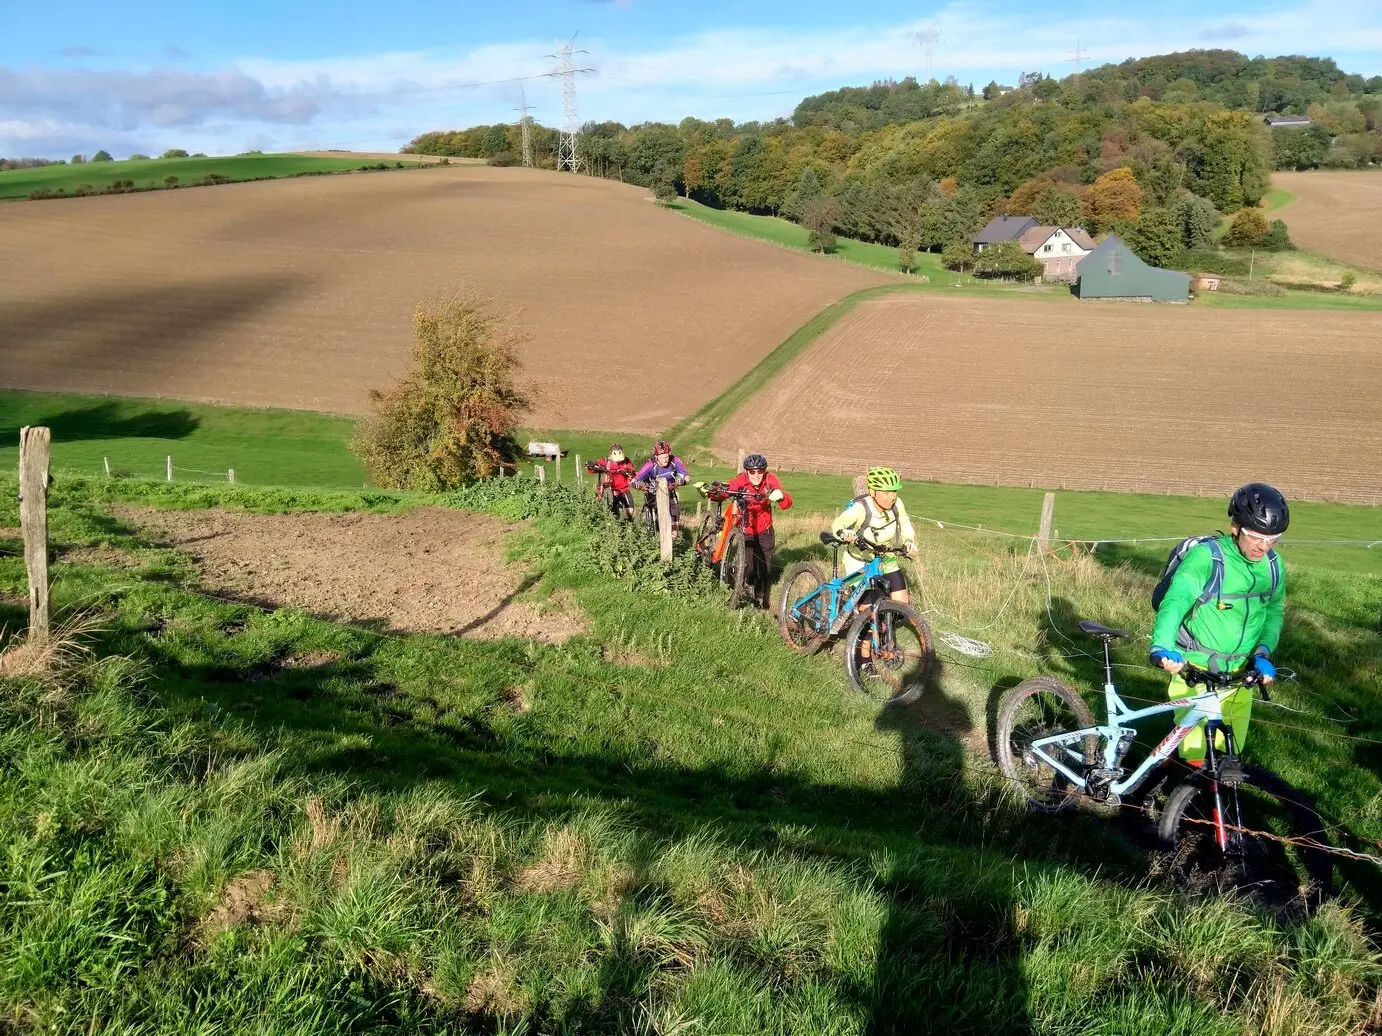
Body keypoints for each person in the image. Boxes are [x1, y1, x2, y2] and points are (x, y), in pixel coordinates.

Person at [1150, 482, 1288, 767]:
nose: (1264, 546)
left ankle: (1166, 786)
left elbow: (1273, 611)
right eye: (1255, 537)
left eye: (1273, 539)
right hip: (1195, 668)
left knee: (1229, 755)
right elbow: (1175, 601)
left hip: (1241, 674)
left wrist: (1263, 651)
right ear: (1235, 527)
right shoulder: (1207, 558)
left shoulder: (1273, 566)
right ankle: (1182, 806)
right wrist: (1161, 645)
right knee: (1197, 755)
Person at [700, 453, 793, 608]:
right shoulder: (741, 480)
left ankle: (760, 597)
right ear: (746, 472)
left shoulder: (770, 479)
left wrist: (781, 496)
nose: (756, 475)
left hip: (765, 528)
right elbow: (727, 489)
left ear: (764, 471)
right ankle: (745, 585)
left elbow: (787, 503)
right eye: (752, 471)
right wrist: (711, 492)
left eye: (759, 471)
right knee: (749, 566)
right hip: (746, 528)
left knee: (766, 567)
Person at [830, 467, 920, 605]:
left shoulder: (897, 504)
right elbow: (839, 522)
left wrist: (908, 541)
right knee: (869, 611)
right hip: (859, 560)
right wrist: (844, 532)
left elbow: (905, 523)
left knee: (902, 606)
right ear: (872, 492)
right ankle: (853, 611)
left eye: (894, 491)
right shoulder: (861, 507)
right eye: (886, 492)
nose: (892, 497)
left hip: (886, 558)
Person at [633, 440, 690, 527]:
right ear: (656, 457)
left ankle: (673, 535)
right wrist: (636, 484)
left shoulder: (675, 461)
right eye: (662, 457)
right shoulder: (650, 465)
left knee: (675, 523)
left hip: (670, 492)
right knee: (661, 518)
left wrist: (684, 481)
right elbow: (636, 479)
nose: (665, 459)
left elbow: (686, 476)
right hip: (653, 494)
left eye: (667, 456)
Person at [601, 443, 636, 520]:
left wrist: (629, 472)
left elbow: (632, 472)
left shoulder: (626, 462)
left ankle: (630, 525)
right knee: (613, 512)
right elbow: (597, 464)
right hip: (610, 490)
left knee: (630, 511)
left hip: (624, 489)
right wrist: (592, 465)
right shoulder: (606, 462)